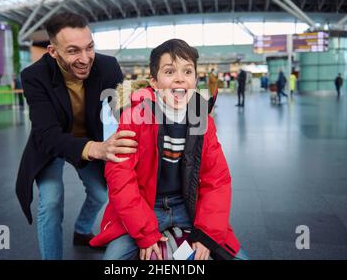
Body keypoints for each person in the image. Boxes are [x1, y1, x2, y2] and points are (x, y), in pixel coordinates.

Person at [90, 39, 246, 260]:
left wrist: (208, 234)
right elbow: (120, 178)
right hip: (145, 206)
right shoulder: (135, 117)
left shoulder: (202, 121)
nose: (180, 78)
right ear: (154, 82)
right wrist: (145, 233)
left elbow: (217, 180)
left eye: (188, 71)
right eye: (170, 71)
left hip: (186, 206)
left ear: (195, 78)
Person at [15, 13, 137, 260]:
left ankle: (82, 230)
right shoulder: (33, 76)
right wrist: (97, 149)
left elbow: (122, 110)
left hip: (91, 139)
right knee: (50, 203)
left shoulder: (108, 66)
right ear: (53, 51)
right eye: (73, 51)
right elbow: (47, 134)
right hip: (52, 145)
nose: (85, 59)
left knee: (101, 194)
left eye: (89, 47)